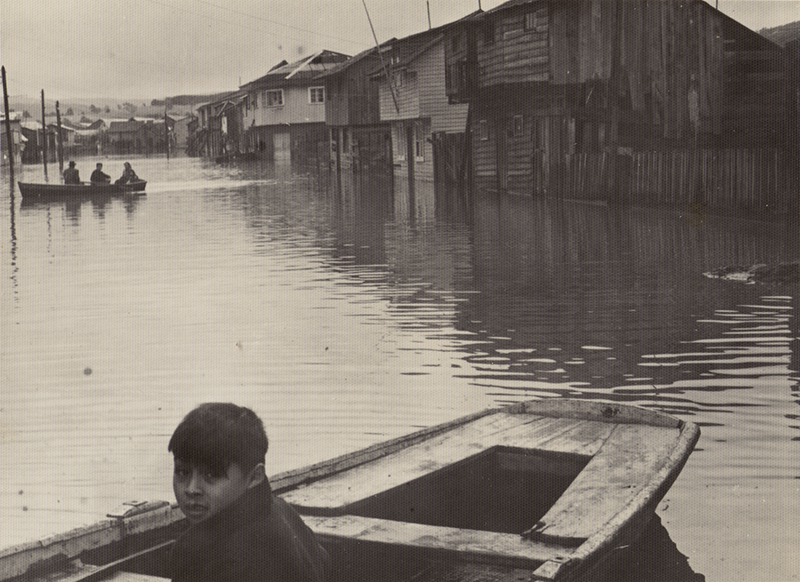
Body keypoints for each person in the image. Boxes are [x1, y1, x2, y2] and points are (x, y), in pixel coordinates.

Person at [168, 403, 330, 582]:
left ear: (255, 476)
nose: (191, 489)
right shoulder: (281, 508)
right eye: (182, 472)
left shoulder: (237, 563)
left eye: (211, 475)